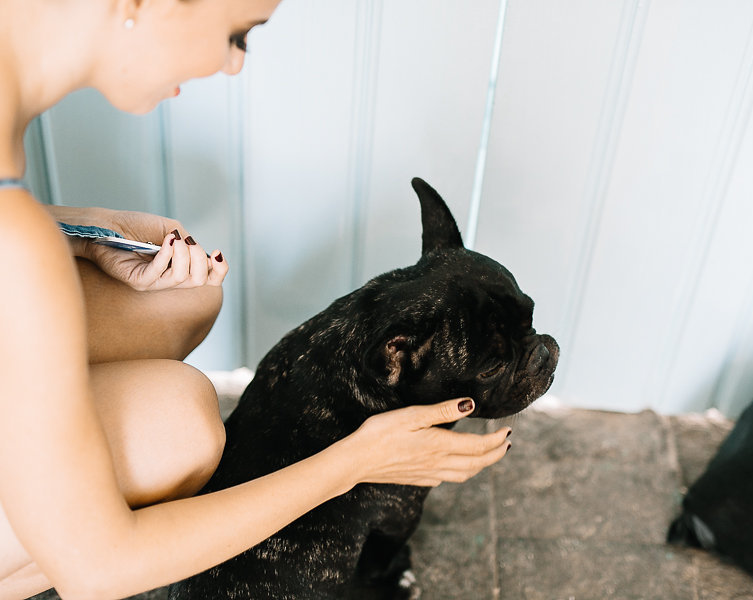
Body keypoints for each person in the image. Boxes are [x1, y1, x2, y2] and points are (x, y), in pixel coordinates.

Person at [0, 1, 512, 598]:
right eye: (238, 33)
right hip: (95, 558)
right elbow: (98, 570)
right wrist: (356, 461)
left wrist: (85, 233)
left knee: (182, 300)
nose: (234, 64)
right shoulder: (19, 252)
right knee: (178, 429)